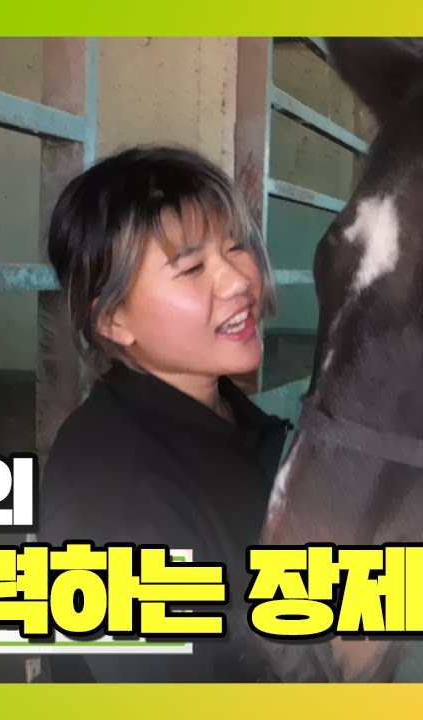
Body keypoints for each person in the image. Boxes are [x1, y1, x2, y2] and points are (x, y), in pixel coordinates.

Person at [37, 145, 291, 682]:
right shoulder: (106, 488)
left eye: (236, 247)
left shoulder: (234, 419)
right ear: (113, 320)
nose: (239, 280)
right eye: (192, 267)